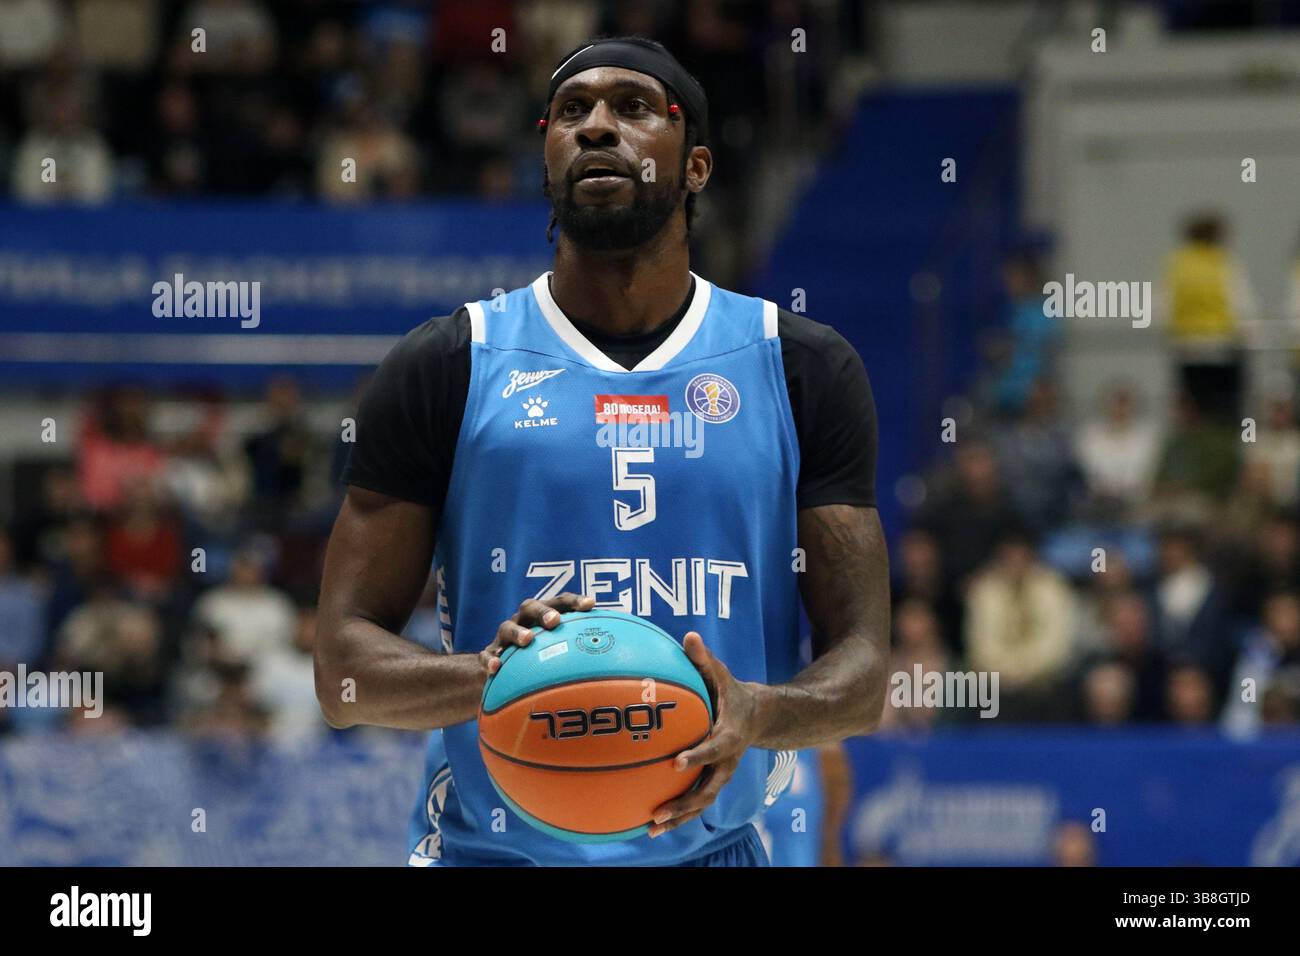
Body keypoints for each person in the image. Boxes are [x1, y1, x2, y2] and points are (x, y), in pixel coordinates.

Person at [316, 36, 889, 867]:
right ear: (546, 164)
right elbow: (341, 670)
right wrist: (491, 679)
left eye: (632, 107)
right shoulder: (446, 363)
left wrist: (756, 712)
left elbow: (865, 675)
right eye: (570, 112)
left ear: (695, 167)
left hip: (711, 851)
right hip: (491, 853)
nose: (595, 128)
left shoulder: (802, 367)